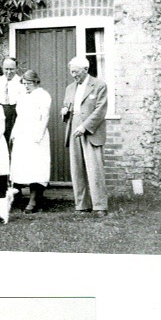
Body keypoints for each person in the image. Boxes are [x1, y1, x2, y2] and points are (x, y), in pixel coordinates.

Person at [61, 56, 108, 216]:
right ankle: (82, 205)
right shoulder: (69, 88)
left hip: (91, 130)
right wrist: (64, 112)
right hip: (74, 128)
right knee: (77, 169)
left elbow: (101, 110)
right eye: (71, 72)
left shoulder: (99, 85)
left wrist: (85, 126)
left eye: (76, 72)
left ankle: (100, 206)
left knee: (94, 169)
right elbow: (68, 106)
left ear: (86, 69)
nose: (73, 75)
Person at [9, 69, 51, 213]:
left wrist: (38, 135)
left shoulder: (43, 95)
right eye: (24, 83)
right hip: (23, 134)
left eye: (29, 83)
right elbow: (19, 117)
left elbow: (45, 117)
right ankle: (21, 198)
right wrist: (14, 133)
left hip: (36, 134)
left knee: (37, 167)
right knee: (23, 166)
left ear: (36, 82)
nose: (26, 86)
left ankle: (34, 200)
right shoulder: (22, 96)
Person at [0, 56, 26, 197]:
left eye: (11, 69)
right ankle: (1, 189)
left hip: (15, 116)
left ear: (16, 69)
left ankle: (17, 189)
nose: (9, 72)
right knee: (1, 152)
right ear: (2, 68)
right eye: (6, 69)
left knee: (16, 152)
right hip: (0, 116)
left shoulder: (21, 83)